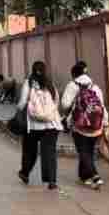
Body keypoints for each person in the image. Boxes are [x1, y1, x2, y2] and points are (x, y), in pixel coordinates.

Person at [60, 61, 107, 189]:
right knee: (89, 151)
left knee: (83, 152)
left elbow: (64, 104)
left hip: (79, 125)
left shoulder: (72, 85)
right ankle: (83, 176)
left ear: (74, 74)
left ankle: (95, 176)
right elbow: (101, 106)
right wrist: (105, 123)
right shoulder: (95, 86)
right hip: (95, 125)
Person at [17, 61, 62, 190]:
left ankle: (25, 172)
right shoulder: (49, 83)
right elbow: (56, 100)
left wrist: (18, 111)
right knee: (50, 152)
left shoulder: (28, 82)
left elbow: (22, 102)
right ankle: (51, 180)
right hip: (52, 124)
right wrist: (49, 112)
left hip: (33, 125)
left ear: (32, 70)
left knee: (29, 150)